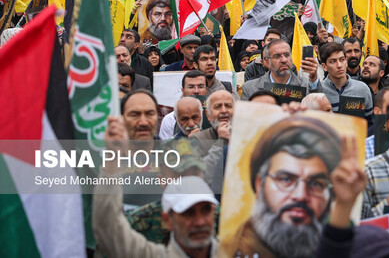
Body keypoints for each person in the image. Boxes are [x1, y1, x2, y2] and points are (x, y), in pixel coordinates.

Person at [94, 116, 218, 257]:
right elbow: (109, 232)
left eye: (194, 174)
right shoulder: (139, 222)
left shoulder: (228, 223)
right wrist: (113, 159)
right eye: (179, 175)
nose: (200, 221)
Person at [221, 116, 342, 258]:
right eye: (286, 179)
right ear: (260, 184)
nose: (300, 195)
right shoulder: (229, 250)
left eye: (315, 184)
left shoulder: (342, 247)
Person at [241, 39, 322, 100]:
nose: (284, 60)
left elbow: (318, 110)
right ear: (267, 61)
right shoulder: (250, 88)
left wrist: (313, 78)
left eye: (287, 55)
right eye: (277, 56)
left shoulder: (307, 86)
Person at [320, 42, 373, 123]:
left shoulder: (362, 89)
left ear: (346, 62)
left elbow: (369, 124)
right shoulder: (319, 90)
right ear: (324, 67)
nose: (339, 65)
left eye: (341, 60)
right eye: (333, 61)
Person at [158, 70, 208, 140]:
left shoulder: (214, 117)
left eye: (200, 86)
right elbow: (165, 148)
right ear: (183, 91)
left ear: (206, 90)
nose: (196, 91)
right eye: (191, 87)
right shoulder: (170, 119)